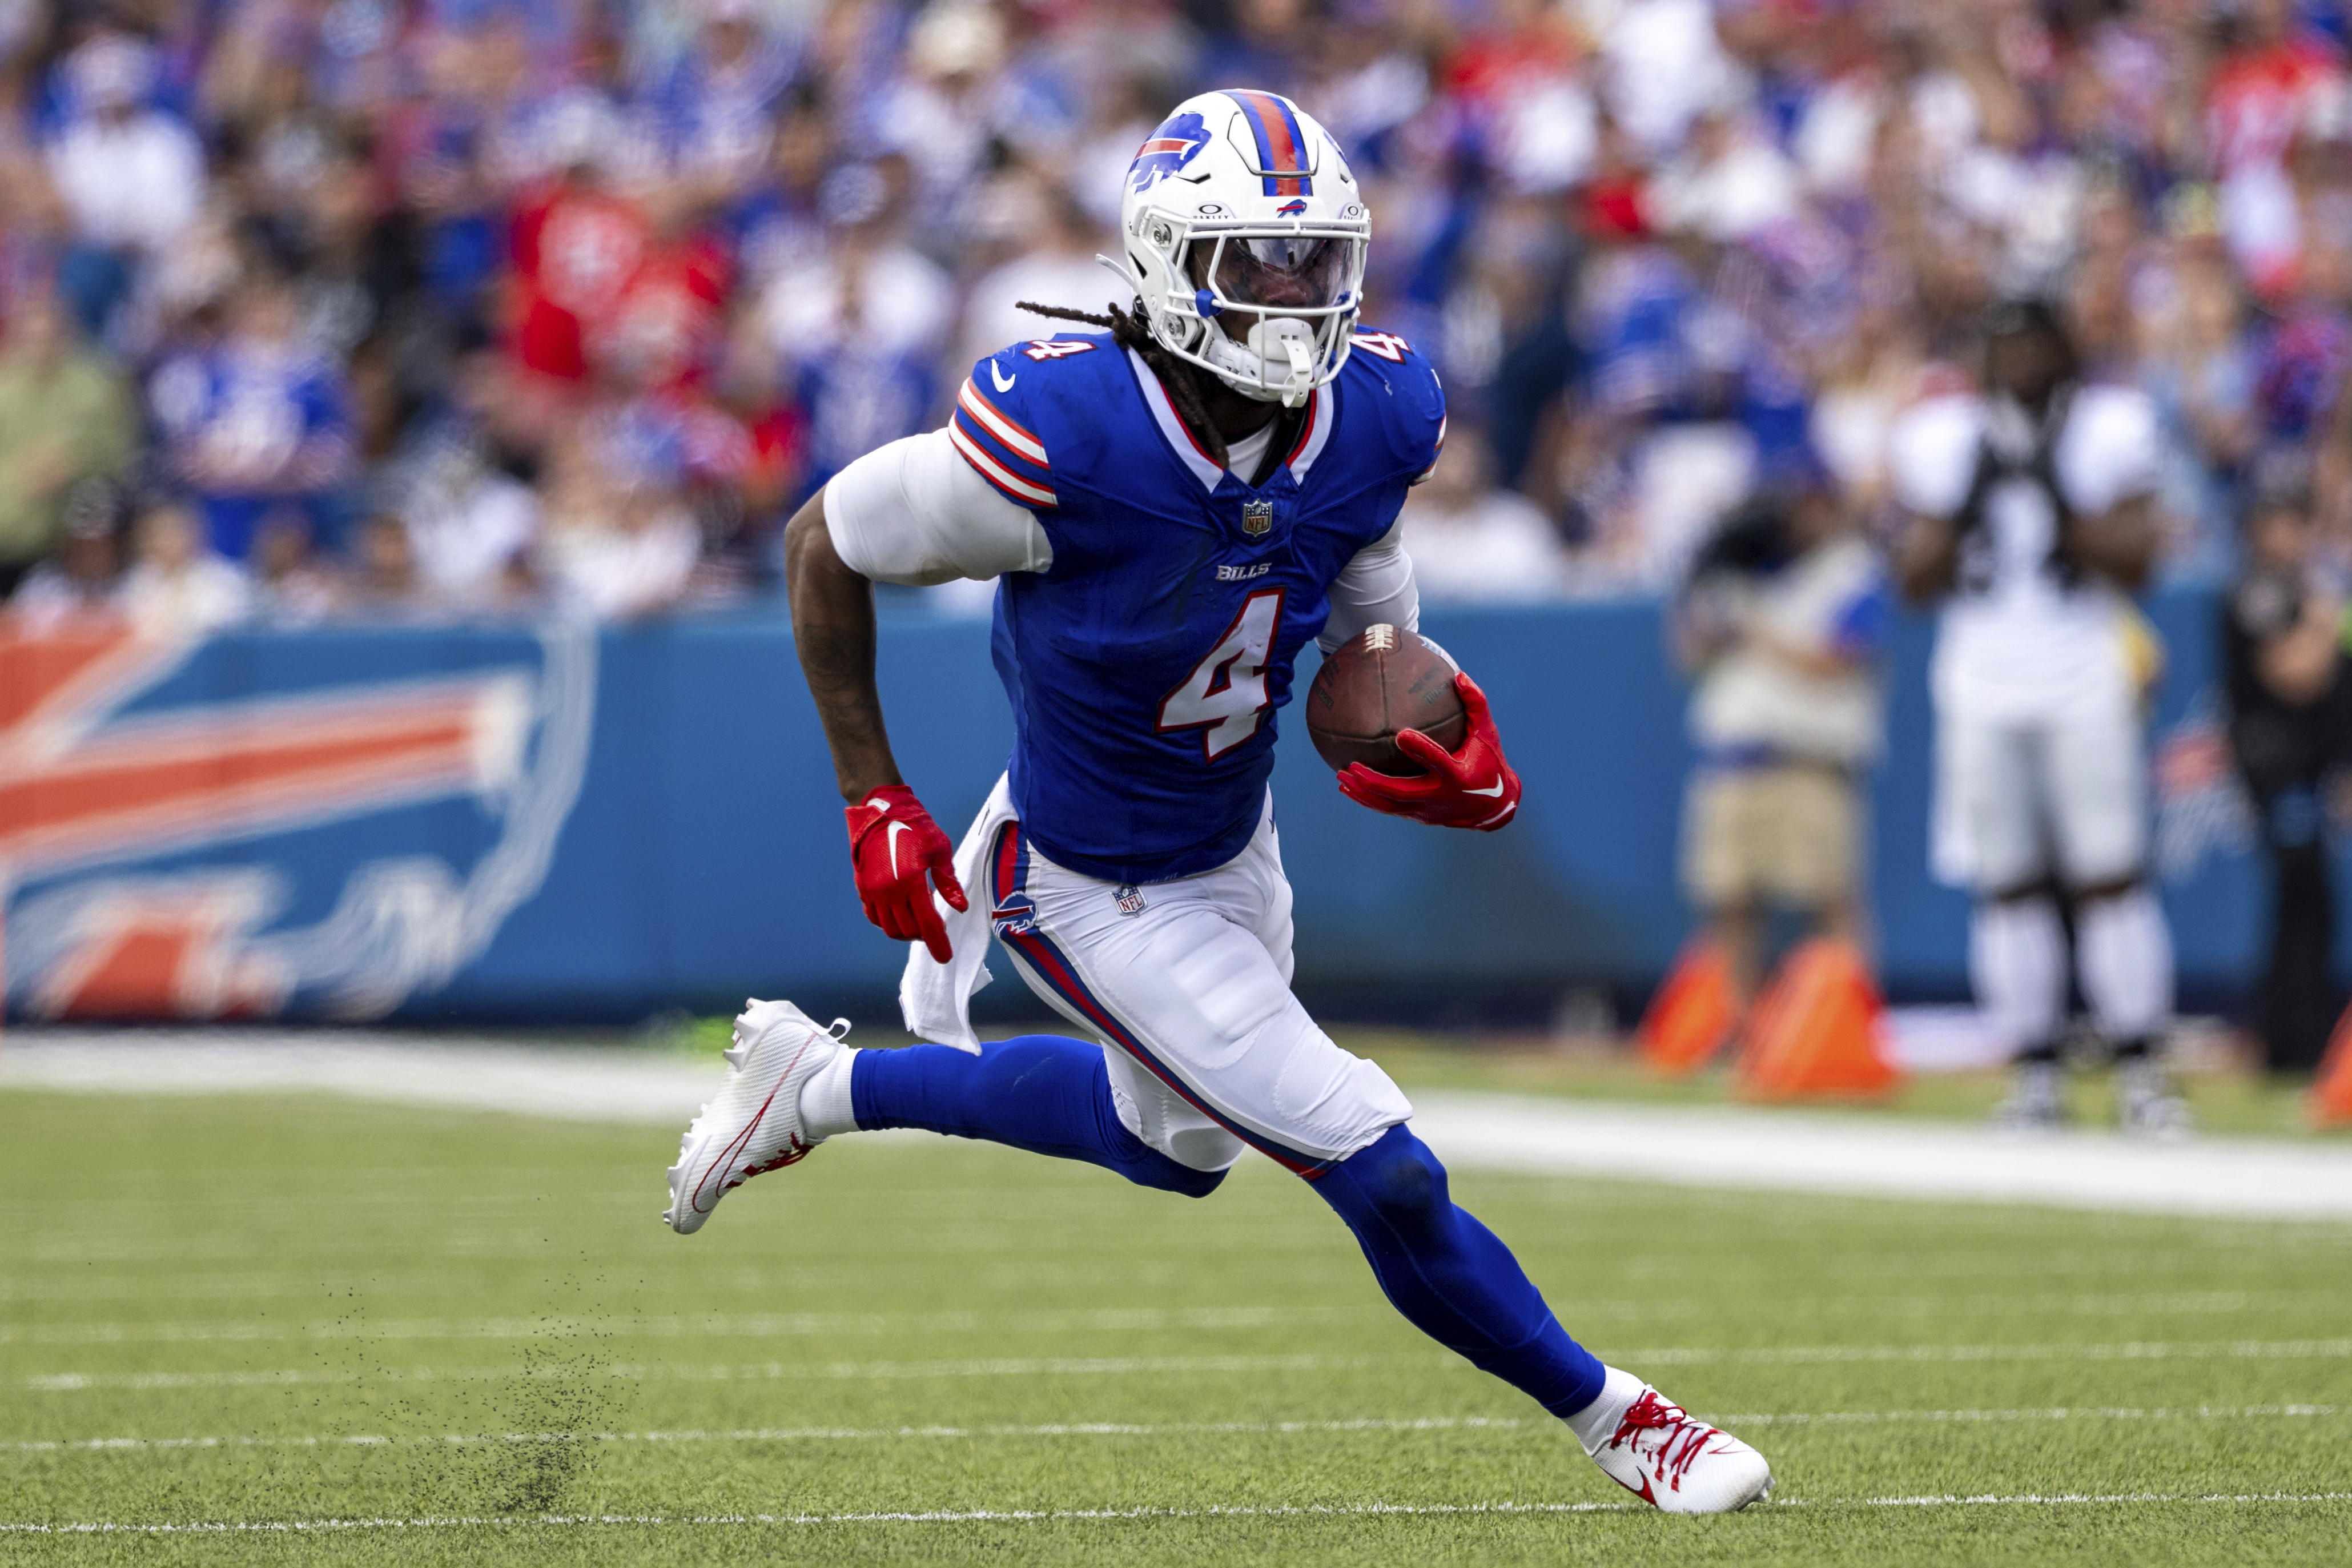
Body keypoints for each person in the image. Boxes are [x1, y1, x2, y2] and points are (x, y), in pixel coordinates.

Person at [661, 90, 1772, 1515]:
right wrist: (872, 793)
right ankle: (1626, 1422)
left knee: (1172, 1152)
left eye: (1317, 263)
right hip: (1085, 879)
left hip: (1226, 840)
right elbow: (825, 541)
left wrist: (1402, 680)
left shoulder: (1374, 409)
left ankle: (815, 1087)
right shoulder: (1063, 436)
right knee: (1382, 1168)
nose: (1296, 300)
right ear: (1170, 259)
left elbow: (1359, 560)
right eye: (1260, 262)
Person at [1892, 299, 2188, 1135]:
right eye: (2003, 345)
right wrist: (1967, 501)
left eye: (2033, 344)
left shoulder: (2106, 426)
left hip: (2081, 669)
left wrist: (2054, 491)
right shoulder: (1946, 437)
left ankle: (2138, 1070)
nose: (2018, 361)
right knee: (2007, 886)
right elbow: (1911, 582)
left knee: (2109, 874)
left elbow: (2139, 560)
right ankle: (2033, 1074)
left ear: (2063, 350)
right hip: (1980, 677)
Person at [1675, 461, 1889, 1021]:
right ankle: (1741, 1028)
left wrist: (1751, 626)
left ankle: (1852, 1021)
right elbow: (1687, 655)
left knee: (1831, 896)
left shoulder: (1853, 569)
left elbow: (1837, 659)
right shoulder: (1742, 572)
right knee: (1731, 900)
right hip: (1735, 756)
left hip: (1810, 757)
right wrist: (1700, 580)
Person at [2222, 454, 2351, 1073]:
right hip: (2277, 766)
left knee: (2313, 904)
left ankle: (2301, 1039)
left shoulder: (2304, 584)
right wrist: (2330, 619)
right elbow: (2294, 671)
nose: (2291, 534)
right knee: (2298, 899)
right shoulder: (2260, 588)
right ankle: (2287, 1043)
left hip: (2313, 763)